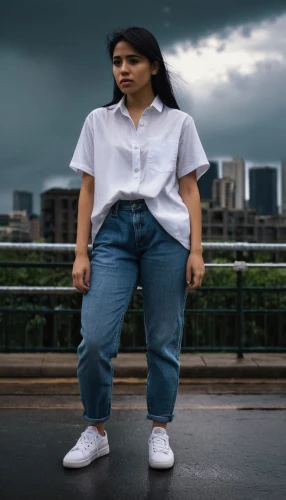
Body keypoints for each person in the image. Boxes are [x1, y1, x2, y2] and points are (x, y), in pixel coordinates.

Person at [63, 26, 210, 470]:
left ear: (153, 66)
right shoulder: (97, 121)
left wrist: (197, 250)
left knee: (164, 341)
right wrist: (81, 251)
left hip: (167, 234)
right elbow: (87, 190)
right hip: (112, 235)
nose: (123, 69)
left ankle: (160, 431)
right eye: (117, 62)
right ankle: (96, 430)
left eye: (132, 61)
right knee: (95, 341)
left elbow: (189, 190)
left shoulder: (180, 123)